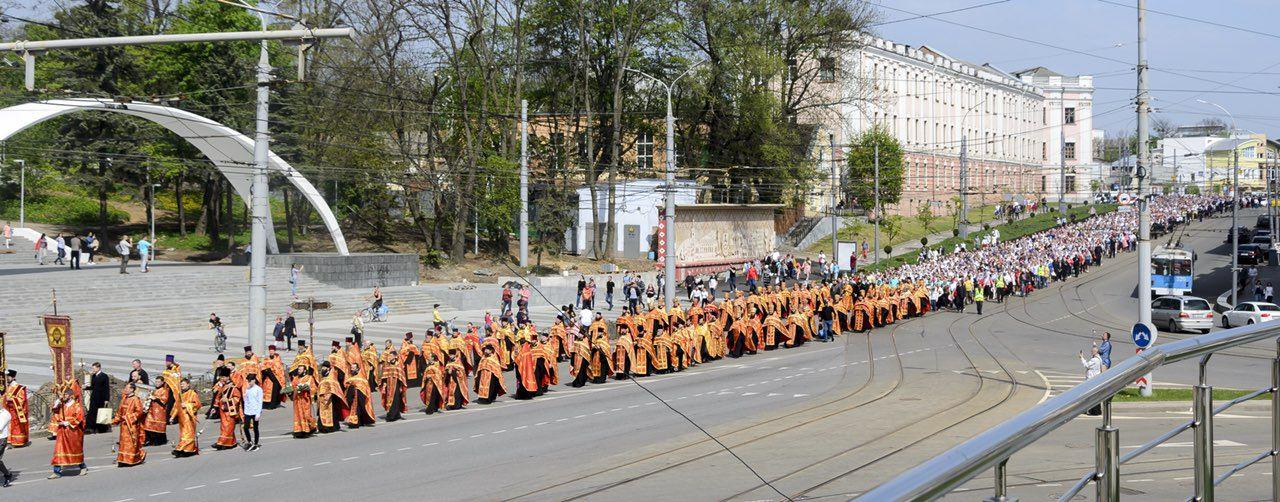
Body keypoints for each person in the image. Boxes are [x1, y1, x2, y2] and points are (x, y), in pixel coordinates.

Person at [48, 387, 86, 478]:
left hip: (73, 432)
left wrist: (68, 422)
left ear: (71, 396)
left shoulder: (76, 406)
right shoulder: (62, 405)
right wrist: (57, 402)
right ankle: (56, 471)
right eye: (63, 395)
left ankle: (82, 466)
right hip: (62, 432)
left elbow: (79, 418)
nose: (63, 396)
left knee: (75, 450)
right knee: (59, 450)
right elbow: (55, 411)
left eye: (65, 394)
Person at [112, 382, 146, 467]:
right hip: (123, 426)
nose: (125, 390)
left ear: (132, 389)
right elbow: (119, 412)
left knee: (131, 443)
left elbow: (139, 412)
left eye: (127, 388)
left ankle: (131, 459)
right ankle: (122, 459)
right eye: (125, 388)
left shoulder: (135, 399)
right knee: (123, 443)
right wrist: (114, 421)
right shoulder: (124, 398)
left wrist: (128, 417)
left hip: (132, 425)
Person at [172, 378, 201, 457]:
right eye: (181, 384)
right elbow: (176, 406)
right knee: (183, 434)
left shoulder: (192, 393)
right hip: (181, 417)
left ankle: (183, 449)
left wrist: (188, 405)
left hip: (189, 416)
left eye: (183, 384)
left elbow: (197, 404)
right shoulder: (180, 394)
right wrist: (172, 416)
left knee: (188, 433)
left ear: (188, 384)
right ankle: (185, 449)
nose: (181, 385)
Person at [3, 371, 29, 448]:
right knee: (7, 426)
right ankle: (8, 441)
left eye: (9, 377)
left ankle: (17, 442)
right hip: (7, 410)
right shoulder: (7, 387)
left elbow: (21, 400)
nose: (7, 379)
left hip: (16, 411)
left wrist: (11, 399)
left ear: (13, 377)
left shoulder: (19, 388)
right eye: (6, 377)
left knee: (16, 427)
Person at [85, 362, 111, 434]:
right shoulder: (93, 376)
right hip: (94, 397)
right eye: (92, 368)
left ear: (98, 368)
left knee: (100, 413)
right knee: (92, 412)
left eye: (94, 368)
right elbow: (93, 386)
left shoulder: (104, 376)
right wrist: (86, 388)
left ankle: (101, 428)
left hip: (101, 397)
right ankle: (91, 428)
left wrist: (106, 399)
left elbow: (106, 388)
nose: (93, 369)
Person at [242, 375, 263, 451]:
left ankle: (256, 443)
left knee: (255, 428)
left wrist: (258, 413)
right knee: (245, 427)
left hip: (255, 411)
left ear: (254, 380)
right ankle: (249, 441)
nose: (249, 383)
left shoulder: (258, 389)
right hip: (248, 411)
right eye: (248, 381)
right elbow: (246, 401)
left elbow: (260, 401)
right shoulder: (247, 389)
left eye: (250, 381)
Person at [1081, 347, 1103, 415]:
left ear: (1096, 352)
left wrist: (1082, 358)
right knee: (1094, 396)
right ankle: (1094, 410)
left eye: (1092, 351)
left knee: (1090, 396)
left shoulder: (1095, 360)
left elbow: (1086, 365)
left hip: (1092, 380)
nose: (1091, 352)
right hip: (1095, 379)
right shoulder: (1099, 359)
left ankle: (1093, 411)